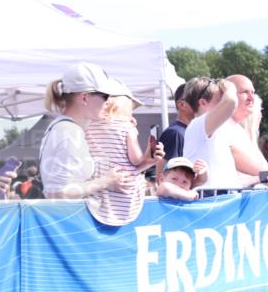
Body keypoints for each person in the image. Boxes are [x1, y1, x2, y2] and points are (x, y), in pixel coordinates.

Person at [39, 62, 136, 199]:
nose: (108, 101)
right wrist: (106, 181)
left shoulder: (67, 128)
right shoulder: (69, 131)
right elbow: (57, 193)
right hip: (67, 217)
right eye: (105, 96)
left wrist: (122, 123)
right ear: (84, 97)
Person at [84, 82, 163, 225]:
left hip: (98, 193)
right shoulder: (127, 128)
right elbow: (135, 160)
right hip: (124, 197)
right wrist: (146, 152)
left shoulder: (88, 127)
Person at [156, 83, 194, 180]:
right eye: (196, 99)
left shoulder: (190, 131)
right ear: (181, 104)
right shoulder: (175, 133)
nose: (202, 103)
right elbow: (163, 172)